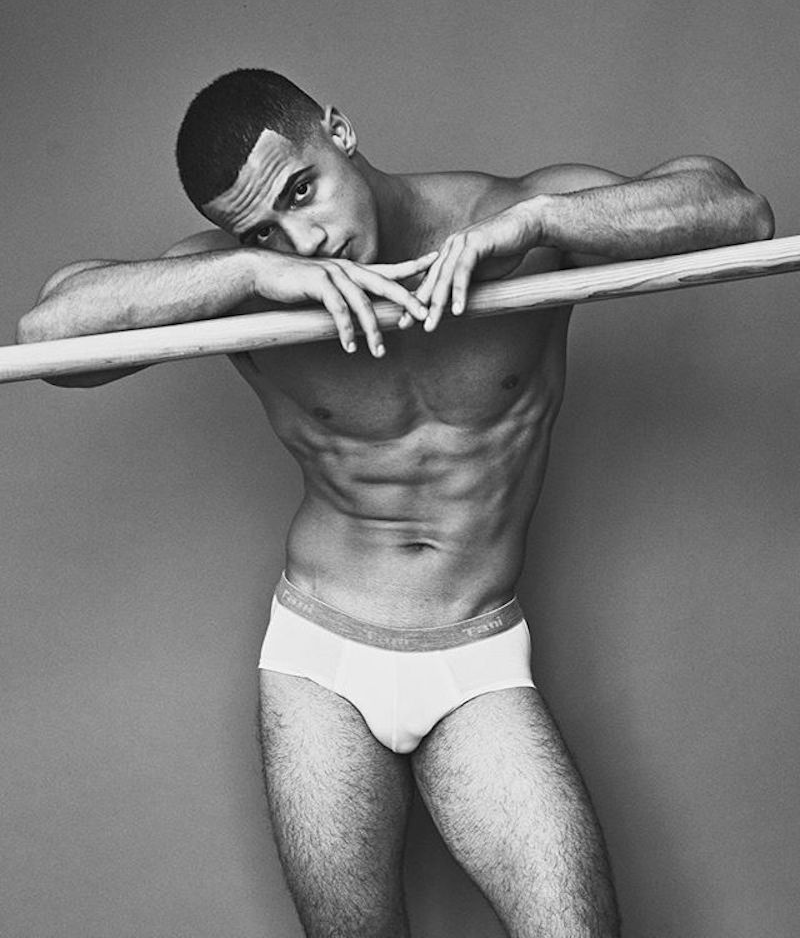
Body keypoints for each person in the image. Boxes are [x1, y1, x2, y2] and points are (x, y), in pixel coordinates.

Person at [16, 69, 774, 938]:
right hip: (322, 661)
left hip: (475, 652)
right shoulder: (244, 280)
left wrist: (539, 224)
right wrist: (250, 272)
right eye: (262, 229)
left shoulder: (513, 216)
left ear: (339, 131)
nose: (306, 240)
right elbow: (49, 334)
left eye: (301, 192)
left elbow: (736, 213)